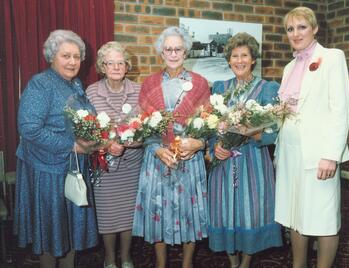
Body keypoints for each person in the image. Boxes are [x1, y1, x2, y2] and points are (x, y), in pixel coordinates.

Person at [14, 29, 98, 268]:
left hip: (72, 166)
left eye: (76, 56)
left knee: (69, 227)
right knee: (51, 231)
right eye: (65, 56)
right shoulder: (41, 84)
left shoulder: (76, 84)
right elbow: (29, 128)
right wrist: (71, 145)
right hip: (47, 170)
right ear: (52, 57)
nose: (72, 62)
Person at [274, 7, 349, 268]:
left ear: (315, 28)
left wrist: (331, 155)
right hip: (290, 153)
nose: (295, 34)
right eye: (290, 29)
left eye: (302, 27)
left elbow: (340, 110)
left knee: (324, 218)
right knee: (297, 214)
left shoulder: (332, 57)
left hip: (319, 155)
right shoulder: (288, 67)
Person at [132, 26, 210, 268]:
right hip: (158, 157)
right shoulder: (149, 83)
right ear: (161, 52)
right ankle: (160, 263)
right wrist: (155, 148)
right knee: (157, 214)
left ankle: (187, 264)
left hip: (189, 159)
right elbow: (141, 125)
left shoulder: (200, 83)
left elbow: (209, 125)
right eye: (168, 49)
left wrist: (198, 143)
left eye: (178, 49)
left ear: (185, 51)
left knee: (191, 215)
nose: (173, 53)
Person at [207, 32, 283, 268]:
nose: (239, 60)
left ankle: (246, 262)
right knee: (224, 211)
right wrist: (215, 146)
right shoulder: (219, 88)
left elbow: (274, 132)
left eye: (244, 55)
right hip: (224, 163)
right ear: (229, 60)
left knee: (252, 211)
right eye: (234, 56)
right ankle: (233, 262)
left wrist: (253, 133)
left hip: (253, 162)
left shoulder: (267, 88)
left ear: (253, 59)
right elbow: (210, 125)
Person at [86, 41, 143, 268]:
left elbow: (146, 127)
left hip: (131, 165)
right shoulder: (92, 92)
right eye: (111, 63)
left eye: (121, 62)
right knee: (107, 213)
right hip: (105, 165)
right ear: (102, 66)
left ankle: (127, 257)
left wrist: (134, 141)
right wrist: (107, 144)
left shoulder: (139, 90)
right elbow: (86, 129)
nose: (116, 67)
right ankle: (110, 258)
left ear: (127, 66)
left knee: (128, 213)